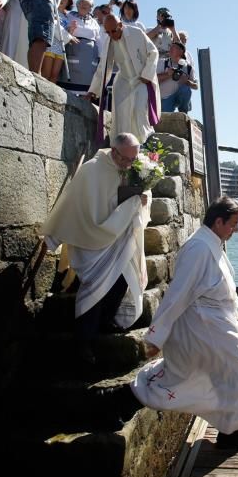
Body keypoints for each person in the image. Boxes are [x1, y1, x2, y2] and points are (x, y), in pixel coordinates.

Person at [100, 197, 238, 451]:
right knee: (234, 371)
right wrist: (156, 336)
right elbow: (178, 294)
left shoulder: (211, 244)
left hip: (214, 324)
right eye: (233, 224)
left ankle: (230, 432)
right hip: (203, 325)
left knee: (212, 374)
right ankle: (231, 434)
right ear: (218, 222)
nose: (236, 229)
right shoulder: (198, 248)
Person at [41, 132, 151, 366]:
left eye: (134, 159)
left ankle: (106, 321)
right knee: (93, 291)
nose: (129, 165)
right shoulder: (91, 170)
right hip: (90, 242)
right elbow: (71, 204)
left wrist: (141, 199)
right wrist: (54, 236)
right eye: (126, 159)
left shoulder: (129, 169)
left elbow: (132, 198)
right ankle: (83, 343)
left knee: (123, 280)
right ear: (114, 152)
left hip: (116, 240)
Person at [88, 15, 160, 145]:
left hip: (142, 79)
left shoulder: (136, 33)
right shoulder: (108, 42)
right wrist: (92, 90)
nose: (111, 35)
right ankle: (121, 148)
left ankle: (145, 145)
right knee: (121, 117)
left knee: (139, 111)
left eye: (113, 31)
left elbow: (153, 52)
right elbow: (103, 68)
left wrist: (146, 74)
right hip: (123, 81)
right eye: (107, 32)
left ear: (120, 25)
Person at [62, 0, 102, 92]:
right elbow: (63, 30)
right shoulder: (69, 16)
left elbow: (98, 40)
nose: (84, 5)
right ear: (77, 5)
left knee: (86, 84)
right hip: (73, 50)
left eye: (87, 4)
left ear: (90, 8)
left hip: (89, 57)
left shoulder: (94, 23)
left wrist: (100, 57)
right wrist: (70, 30)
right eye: (81, 3)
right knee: (69, 83)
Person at [157, 41, 198, 113]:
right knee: (166, 118)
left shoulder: (188, 67)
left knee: (185, 89)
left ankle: (183, 111)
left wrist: (187, 82)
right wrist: (168, 74)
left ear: (181, 51)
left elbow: (196, 86)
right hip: (165, 98)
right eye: (170, 47)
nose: (170, 49)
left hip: (179, 96)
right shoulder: (162, 63)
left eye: (173, 47)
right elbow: (154, 80)